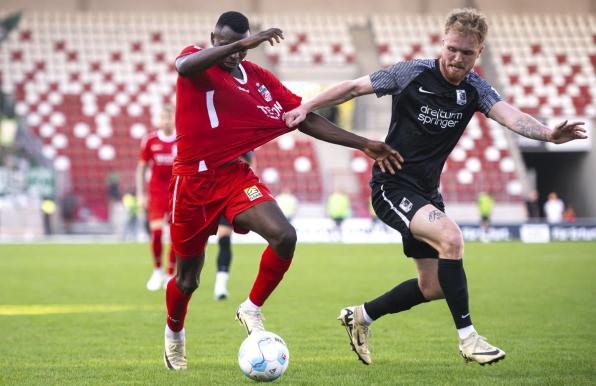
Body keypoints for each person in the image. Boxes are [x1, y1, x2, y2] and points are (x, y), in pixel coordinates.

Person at [284, 8, 587, 366]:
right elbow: (352, 87)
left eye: (467, 53)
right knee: (452, 238)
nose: (457, 58)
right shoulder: (411, 73)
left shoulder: (476, 89)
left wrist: (549, 134)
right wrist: (306, 105)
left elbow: (511, 116)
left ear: (479, 52)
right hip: (392, 186)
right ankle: (469, 339)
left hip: (426, 192)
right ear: (443, 43)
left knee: (434, 287)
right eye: (453, 49)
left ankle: (360, 317)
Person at [163, 11, 402, 370]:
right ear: (214, 38)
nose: (235, 53)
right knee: (187, 279)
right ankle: (175, 334)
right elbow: (183, 66)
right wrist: (244, 43)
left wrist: (363, 143)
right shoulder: (196, 59)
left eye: (240, 47)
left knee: (284, 235)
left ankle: (250, 308)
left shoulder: (258, 78)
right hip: (192, 183)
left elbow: (301, 116)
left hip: (233, 177)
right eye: (226, 44)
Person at [136, 105, 177, 291]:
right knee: (157, 233)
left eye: (169, 117)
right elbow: (141, 168)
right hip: (157, 192)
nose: (166, 121)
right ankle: (157, 270)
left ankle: (170, 273)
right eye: (162, 117)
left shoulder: (182, 139)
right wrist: (140, 193)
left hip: (177, 191)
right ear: (158, 120)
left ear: (174, 118)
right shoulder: (150, 140)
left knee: (176, 236)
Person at [213, 151, 254, 301]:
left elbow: (249, 161)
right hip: (207, 191)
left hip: (229, 194)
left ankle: (220, 285)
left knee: (224, 239)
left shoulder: (244, 141)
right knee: (196, 244)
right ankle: (182, 280)